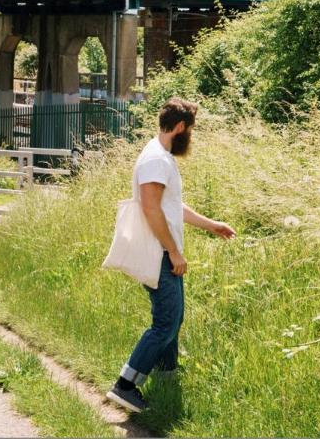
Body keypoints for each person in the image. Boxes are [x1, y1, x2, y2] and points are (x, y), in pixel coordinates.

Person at [105, 96, 236, 414]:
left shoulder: (160, 156)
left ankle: (166, 375)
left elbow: (171, 206)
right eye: (190, 129)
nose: (190, 135)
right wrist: (174, 252)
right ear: (179, 127)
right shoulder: (156, 160)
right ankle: (126, 385)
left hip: (164, 252)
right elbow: (151, 209)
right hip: (159, 254)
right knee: (165, 323)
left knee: (174, 318)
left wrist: (211, 225)